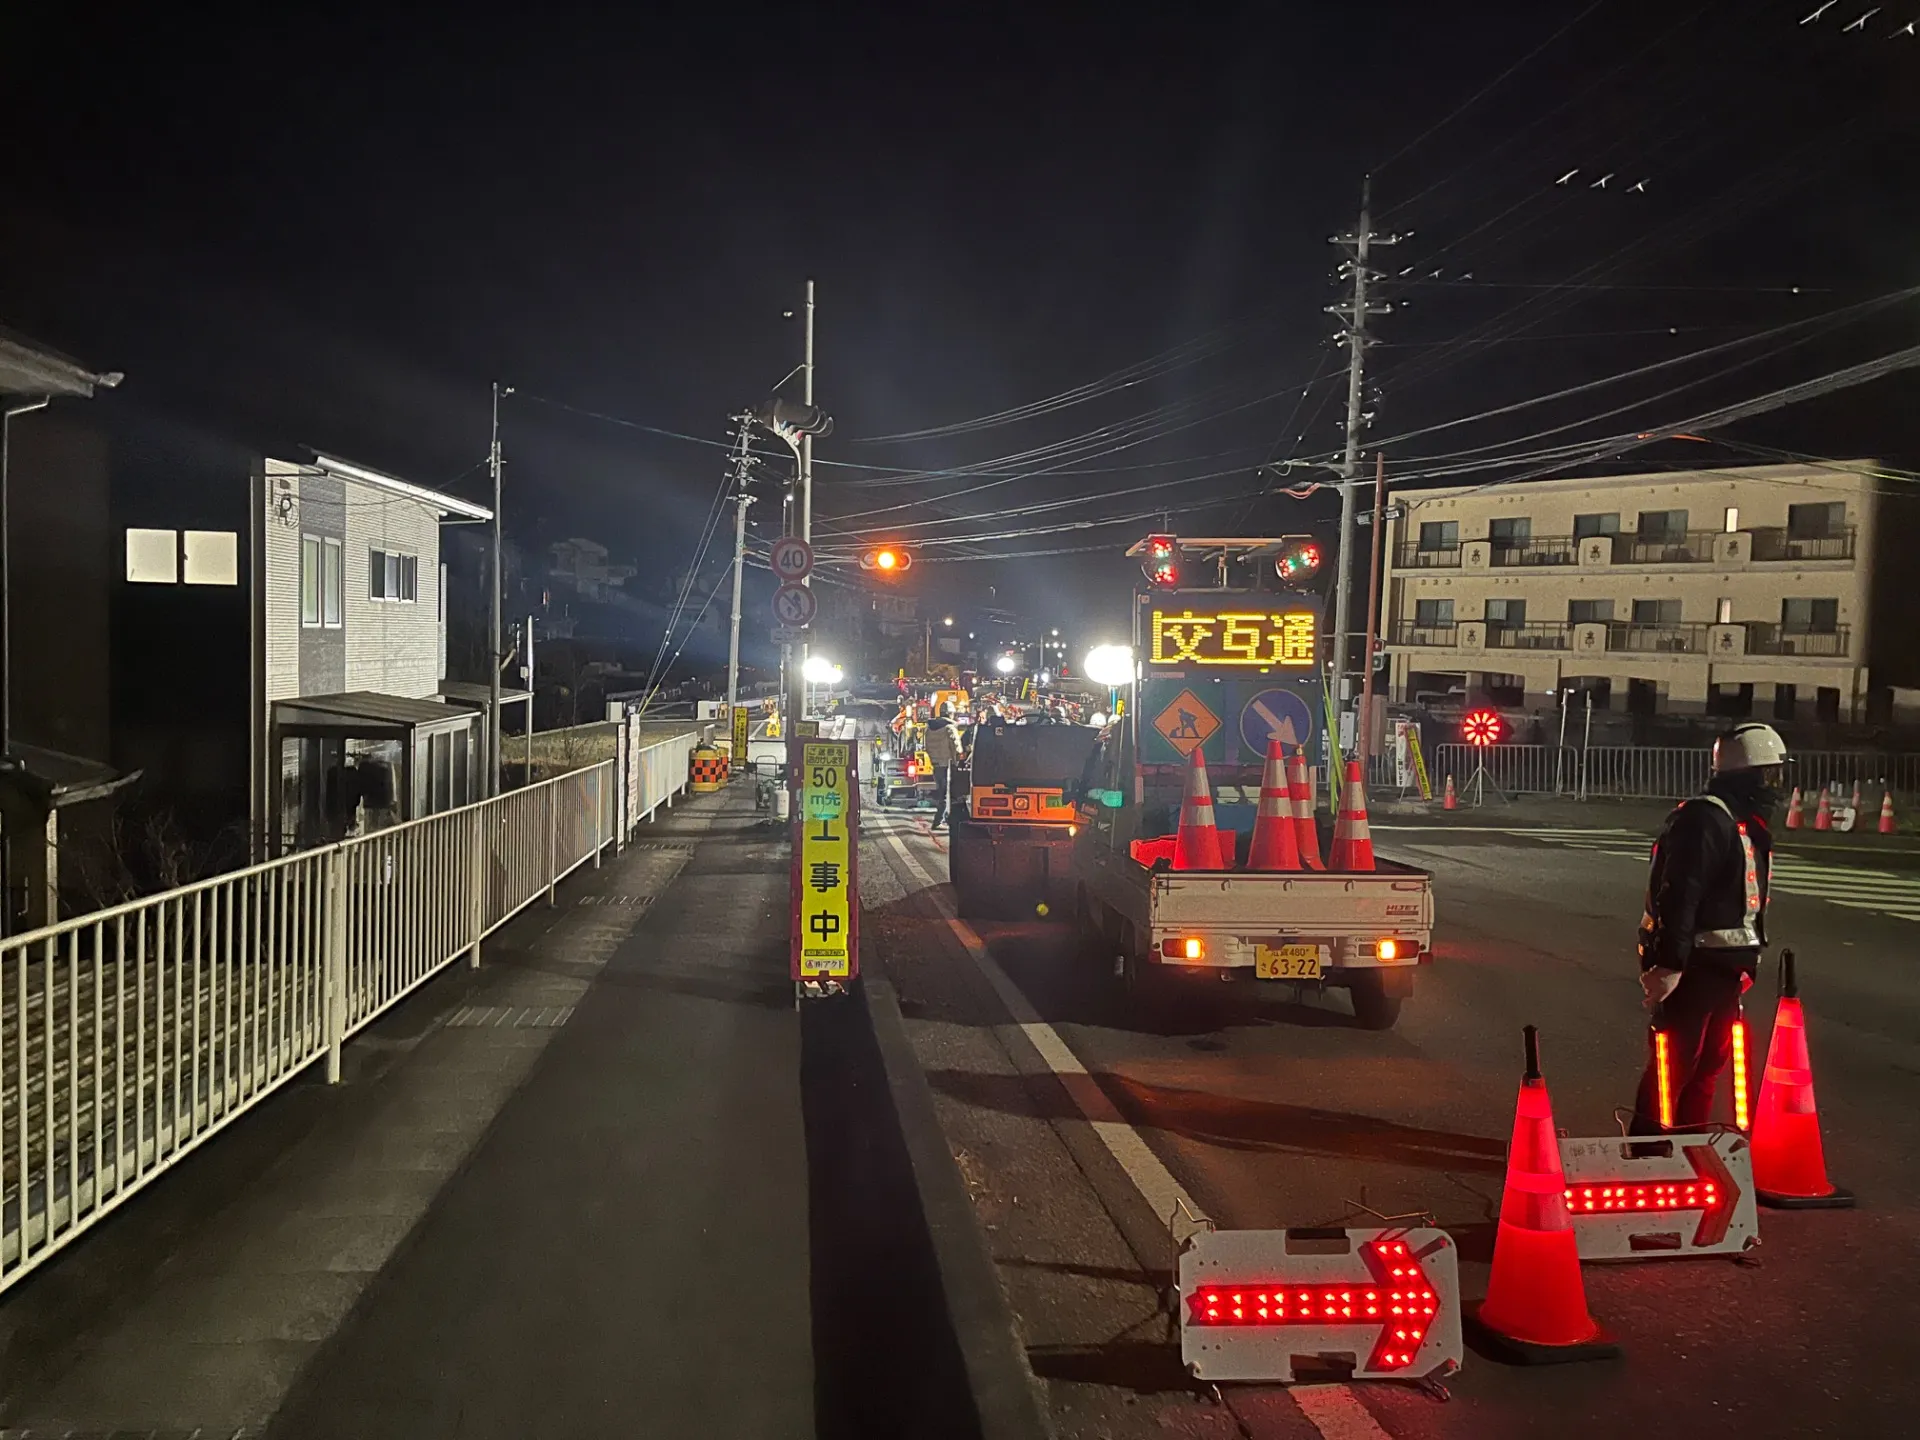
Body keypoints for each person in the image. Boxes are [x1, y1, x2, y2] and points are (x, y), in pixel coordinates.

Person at [1631, 721, 1785, 1134]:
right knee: (1675, 1064)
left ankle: (1687, 1145)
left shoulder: (1738, 821)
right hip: (1697, 965)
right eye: (1769, 773)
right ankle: (1650, 1152)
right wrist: (1669, 965)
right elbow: (1680, 895)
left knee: (1708, 1065)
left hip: (1723, 966)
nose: (1775, 784)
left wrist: (1745, 960)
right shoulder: (1704, 819)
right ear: (1747, 774)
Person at [925, 702, 966, 830]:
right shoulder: (949, 728)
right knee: (950, 794)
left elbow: (927, 747)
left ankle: (940, 818)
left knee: (941, 792)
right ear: (950, 713)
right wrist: (957, 761)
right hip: (947, 764)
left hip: (936, 764)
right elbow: (956, 747)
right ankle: (941, 819)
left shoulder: (929, 728)